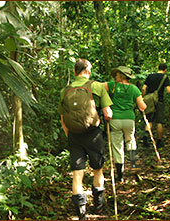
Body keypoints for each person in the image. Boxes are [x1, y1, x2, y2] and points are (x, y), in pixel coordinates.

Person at [57, 58, 113, 219]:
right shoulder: (96, 86)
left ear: (75, 72)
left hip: (74, 135)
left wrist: (70, 134)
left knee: (77, 173)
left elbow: (63, 119)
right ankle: (98, 202)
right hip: (93, 134)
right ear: (88, 71)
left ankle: (81, 210)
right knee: (98, 169)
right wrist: (107, 117)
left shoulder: (65, 90)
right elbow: (108, 113)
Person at [104, 66, 147, 182]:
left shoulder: (112, 85)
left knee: (117, 146)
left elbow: (98, 87)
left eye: (117, 75)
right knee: (130, 139)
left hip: (115, 119)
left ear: (121, 76)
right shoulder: (134, 89)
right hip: (129, 119)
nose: (115, 77)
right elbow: (142, 106)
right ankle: (133, 165)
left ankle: (120, 175)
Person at [141, 63, 170, 148]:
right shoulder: (165, 77)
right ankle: (159, 141)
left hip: (149, 101)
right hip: (159, 101)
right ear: (165, 69)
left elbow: (143, 88)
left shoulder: (150, 76)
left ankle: (146, 134)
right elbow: (169, 90)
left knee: (149, 119)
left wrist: (144, 97)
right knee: (159, 121)